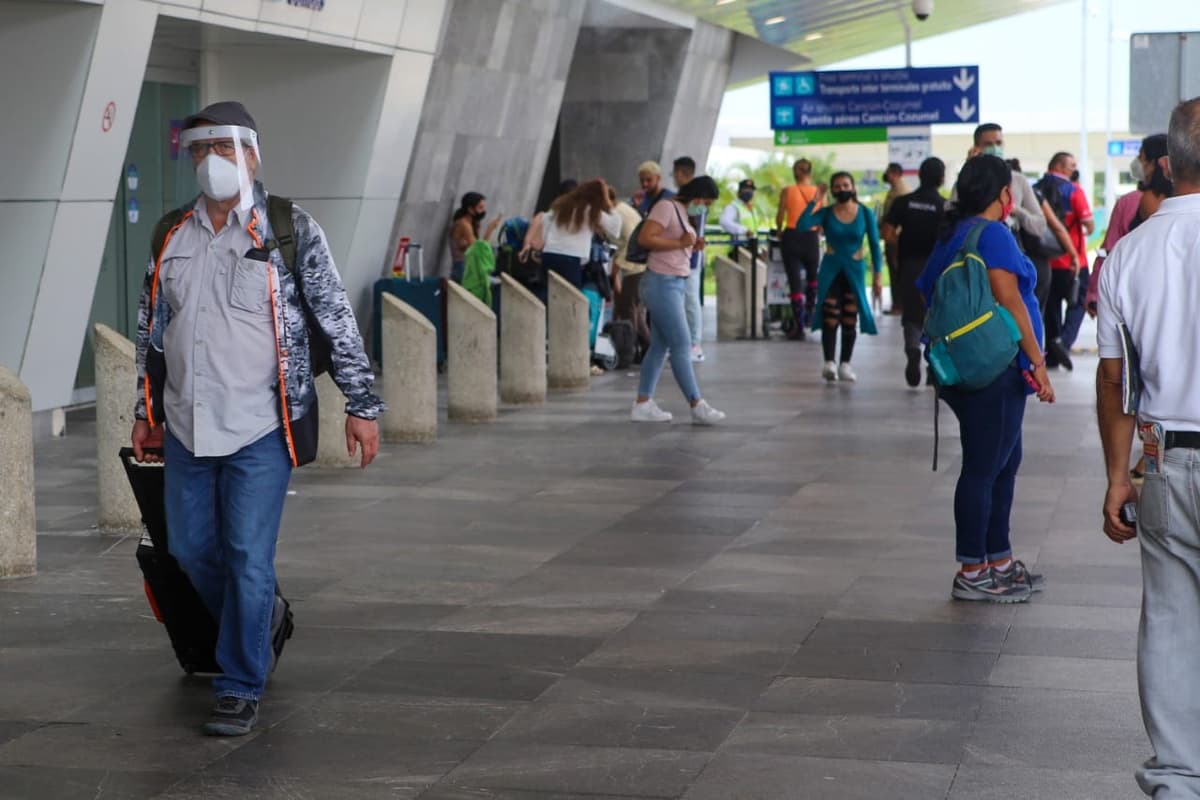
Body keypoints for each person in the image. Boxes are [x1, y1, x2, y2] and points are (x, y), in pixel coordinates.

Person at [131, 101, 384, 735]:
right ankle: (261, 616)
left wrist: (361, 404)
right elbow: (151, 330)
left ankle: (241, 682)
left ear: (251, 154)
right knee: (190, 550)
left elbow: (335, 316)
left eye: (223, 148)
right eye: (200, 150)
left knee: (247, 556)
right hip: (186, 424)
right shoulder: (172, 233)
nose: (211, 161)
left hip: (262, 425)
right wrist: (146, 410)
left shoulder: (289, 230)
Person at [1096, 97, 1200, 798]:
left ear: (1167, 163)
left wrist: (1117, 477)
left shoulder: (1127, 254)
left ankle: (1178, 780)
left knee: (1169, 618)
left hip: (1165, 460)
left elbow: (1114, 379)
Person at [916, 155, 1054, 603]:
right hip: (996, 368)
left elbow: (926, 290)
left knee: (1002, 463)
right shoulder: (992, 233)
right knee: (983, 468)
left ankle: (999, 560)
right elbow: (1010, 299)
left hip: (967, 367)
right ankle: (972, 570)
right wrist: (1036, 361)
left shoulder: (953, 233)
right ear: (1005, 194)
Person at [631, 176, 726, 425]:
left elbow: (673, 245)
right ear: (696, 196)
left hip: (674, 283)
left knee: (659, 347)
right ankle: (697, 405)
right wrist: (679, 242)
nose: (705, 208)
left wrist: (691, 246)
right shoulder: (666, 207)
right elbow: (646, 238)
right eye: (705, 203)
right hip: (661, 283)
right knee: (682, 344)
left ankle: (643, 403)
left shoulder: (683, 213)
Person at [796, 172, 883, 382]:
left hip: (855, 269)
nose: (842, 189)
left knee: (850, 316)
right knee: (830, 314)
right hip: (831, 269)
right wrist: (815, 200)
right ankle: (829, 363)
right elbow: (802, 224)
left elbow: (874, 245)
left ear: (853, 187)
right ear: (832, 190)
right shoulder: (826, 213)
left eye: (845, 185)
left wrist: (877, 276)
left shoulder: (865, 213)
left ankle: (845, 364)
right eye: (837, 186)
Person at [1086, 133, 1171, 314]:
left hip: (1134, 295)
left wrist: (1094, 293)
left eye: (1141, 157)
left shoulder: (1131, 202)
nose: (1137, 162)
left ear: (1156, 163)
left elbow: (1109, 250)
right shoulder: (1185, 200)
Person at [882, 157, 946, 387]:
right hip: (937, 268)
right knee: (937, 315)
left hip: (909, 265)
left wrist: (899, 247)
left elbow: (887, 232)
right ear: (941, 179)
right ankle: (933, 367)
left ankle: (912, 348)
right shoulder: (944, 206)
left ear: (919, 175)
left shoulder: (904, 202)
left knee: (911, 313)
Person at [1036, 152, 1094, 370]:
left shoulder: (1036, 189)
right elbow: (1089, 224)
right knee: (1078, 302)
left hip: (1046, 260)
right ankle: (1065, 342)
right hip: (1073, 260)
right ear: (1059, 166)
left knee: (1051, 309)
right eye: (1071, 165)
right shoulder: (1074, 190)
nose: (1074, 169)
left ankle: (1052, 356)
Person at [540, 179, 621, 289]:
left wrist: (548, 243)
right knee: (570, 296)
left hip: (549, 254)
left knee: (550, 292)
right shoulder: (589, 210)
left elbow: (545, 220)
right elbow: (615, 228)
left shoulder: (560, 204)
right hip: (571, 258)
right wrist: (608, 203)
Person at [775, 159, 822, 340]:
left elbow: (780, 215)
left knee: (794, 281)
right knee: (812, 278)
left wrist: (779, 230)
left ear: (796, 172)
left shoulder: (788, 191)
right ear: (810, 172)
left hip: (792, 236)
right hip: (810, 237)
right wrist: (818, 231)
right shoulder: (818, 192)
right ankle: (810, 315)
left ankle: (799, 325)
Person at [608, 185, 650, 360]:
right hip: (637, 266)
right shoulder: (621, 210)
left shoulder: (619, 213)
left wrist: (616, 267)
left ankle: (635, 348)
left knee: (629, 308)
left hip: (635, 267)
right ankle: (643, 348)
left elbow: (630, 241)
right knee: (635, 310)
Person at [672, 156, 706, 362]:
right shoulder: (683, 197)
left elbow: (695, 231)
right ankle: (684, 343)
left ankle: (695, 345)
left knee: (691, 302)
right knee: (682, 303)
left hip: (691, 260)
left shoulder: (696, 199)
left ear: (680, 173)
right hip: (681, 258)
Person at [449, 192, 501, 283]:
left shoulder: (472, 223)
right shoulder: (464, 224)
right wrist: (489, 230)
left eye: (484, 207)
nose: (483, 211)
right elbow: (479, 251)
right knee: (496, 285)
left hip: (470, 269)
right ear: (470, 209)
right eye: (480, 208)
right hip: (463, 271)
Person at [880, 162, 910, 314]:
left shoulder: (900, 190)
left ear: (894, 173)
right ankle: (898, 304)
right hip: (892, 237)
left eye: (888, 172)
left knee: (897, 271)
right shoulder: (895, 189)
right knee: (895, 271)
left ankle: (899, 305)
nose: (886, 175)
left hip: (895, 238)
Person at [719, 178, 765, 250]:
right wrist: (744, 230)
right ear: (739, 192)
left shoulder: (752, 208)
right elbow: (724, 222)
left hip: (752, 245)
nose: (749, 191)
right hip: (739, 247)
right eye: (746, 189)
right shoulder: (733, 207)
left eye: (751, 189)